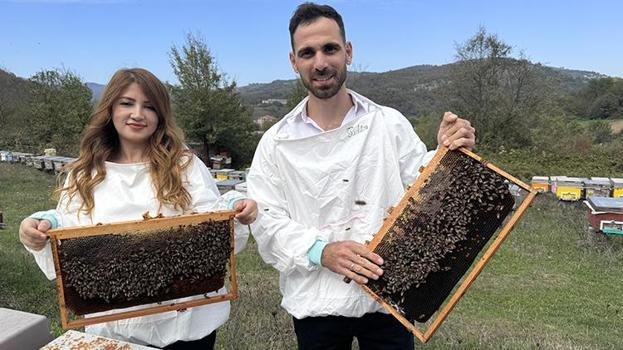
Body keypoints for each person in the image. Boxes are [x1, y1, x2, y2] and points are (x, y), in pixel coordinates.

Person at [247, 3, 476, 349]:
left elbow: (423, 189)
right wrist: (321, 252)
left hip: (388, 300)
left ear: (348, 52)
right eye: (307, 53)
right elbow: (265, 219)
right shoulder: (275, 143)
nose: (320, 62)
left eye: (330, 48)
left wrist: (448, 152)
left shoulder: (389, 123)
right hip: (316, 303)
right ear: (294, 62)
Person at [19, 68, 257, 349]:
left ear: (161, 115)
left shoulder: (185, 166)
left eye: (149, 106)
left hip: (185, 325)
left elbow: (212, 215)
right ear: (110, 108)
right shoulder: (85, 173)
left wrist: (234, 207)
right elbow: (66, 224)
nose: (138, 114)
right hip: (112, 323)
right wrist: (41, 224)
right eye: (127, 103)